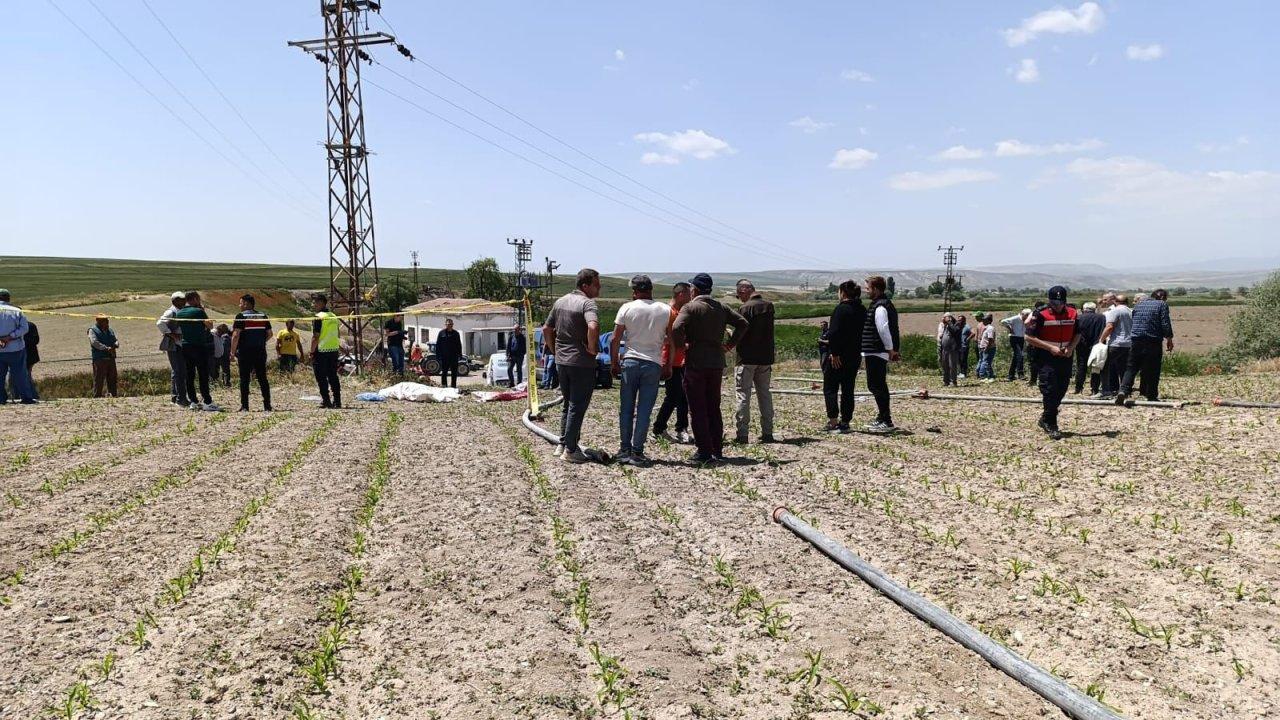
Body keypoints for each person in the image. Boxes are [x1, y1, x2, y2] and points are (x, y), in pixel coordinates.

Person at [671, 273, 747, 463]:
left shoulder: (691, 307)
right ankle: (716, 448)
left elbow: (676, 327)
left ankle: (704, 451)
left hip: (696, 361)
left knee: (697, 407)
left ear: (694, 289)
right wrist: (729, 344)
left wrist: (682, 346)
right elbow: (742, 323)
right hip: (716, 362)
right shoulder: (721, 307)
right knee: (713, 406)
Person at [610, 275, 672, 466]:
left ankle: (624, 449)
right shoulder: (665, 309)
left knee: (626, 408)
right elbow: (671, 340)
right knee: (644, 410)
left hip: (630, 361)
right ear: (651, 289)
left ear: (635, 292)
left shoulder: (627, 308)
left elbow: (614, 338)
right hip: (653, 363)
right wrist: (667, 364)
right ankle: (638, 451)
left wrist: (614, 363)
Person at [544, 269, 603, 463]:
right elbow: (593, 326)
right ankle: (570, 449)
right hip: (581, 363)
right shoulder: (587, 304)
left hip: (562, 361)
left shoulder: (560, 302)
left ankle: (563, 443)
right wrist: (593, 349)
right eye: (596, 284)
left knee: (568, 404)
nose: (599, 287)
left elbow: (546, 328)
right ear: (585, 285)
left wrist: (554, 350)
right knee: (577, 406)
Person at [1024, 286, 1081, 440]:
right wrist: (1050, 348)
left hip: (1065, 356)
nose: (1058, 305)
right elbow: (1029, 337)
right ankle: (1051, 423)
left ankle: (1045, 417)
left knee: (1061, 389)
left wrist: (1070, 348)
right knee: (1049, 389)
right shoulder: (1040, 314)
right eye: (1054, 302)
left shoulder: (1073, 312)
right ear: (1049, 301)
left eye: (1061, 302)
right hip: (1045, 357)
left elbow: (1078, 333)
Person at [733, 279, 776, 444]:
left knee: (743, 394)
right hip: (765, 358)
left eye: (739, 294)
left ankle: (742, 434)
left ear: (744, 290)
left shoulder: (745, 308)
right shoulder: (769, 306)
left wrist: (731, 340)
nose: (739, 298)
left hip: (746, 358)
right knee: (764, 394)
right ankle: (768, 432)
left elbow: (742, 331)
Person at [1117, 289, 1174, 406]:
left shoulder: (1139, 304)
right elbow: (1165, 322)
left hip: (1136, 340)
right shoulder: (1162, 304)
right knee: (1153, 369)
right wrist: (1169, 338)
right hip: (1152, 340)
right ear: (1163, 297)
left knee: (1131, 367)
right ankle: (1151, 395)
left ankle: (1123, 390)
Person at [823, 280, 866, 433]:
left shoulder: (841, 309)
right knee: (848, 389)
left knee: (830, 387)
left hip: (838, 356)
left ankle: (833, 421)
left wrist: (834, 353)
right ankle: (846, 421)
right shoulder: (862, 309)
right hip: (854, 355)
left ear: (843, 293)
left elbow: (834, 333)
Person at [653, 282, 692, 444]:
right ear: (681, 294)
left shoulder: (679, 312)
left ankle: (681, 427)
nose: (691, 297)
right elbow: (665, 338)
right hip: (670, 360)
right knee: (673, 395)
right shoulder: (668, 312)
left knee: (682, 396)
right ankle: (659, 428)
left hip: (680, 360)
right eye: (689, 294)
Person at [860, 275, 900, 433]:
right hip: (875, 350)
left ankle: (886, 419)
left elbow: (883, 329)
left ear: (876, 289)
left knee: (877, 385)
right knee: (875, 385)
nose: (866, 291)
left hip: (878, 350)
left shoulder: (881, 306)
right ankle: (882, 417)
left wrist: (890, 349)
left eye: (868, 288)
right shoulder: (878, 304)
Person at [176, 291, 218, 411]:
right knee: (203, 374)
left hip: (185, 345)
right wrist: (203, 311)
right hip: (199, 345)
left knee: (189, 374)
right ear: (195, 299)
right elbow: (210, 326)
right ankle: (207, 401)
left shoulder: (179, 313)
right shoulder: (198, 311)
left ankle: (193, 401)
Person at [231, 293, 272, 412]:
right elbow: (270, 334)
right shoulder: (263, 316)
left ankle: (245, 406)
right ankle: (267, 405)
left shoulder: (240, 316)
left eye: (241, 303)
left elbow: (235, 335)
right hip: (260, 351)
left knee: (244, 379)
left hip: (245, 351)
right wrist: (259, 342)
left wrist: (232, 352)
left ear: (246, 304)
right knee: (262, 378)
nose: (239, 305)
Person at [0, 289, 37, 404]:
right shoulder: (17, 311)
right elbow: (24, 328)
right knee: (20, 374)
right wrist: (10, 337)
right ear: (8, 298)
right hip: (15, 348)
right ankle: (26, 397)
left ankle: (1, 398)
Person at [310, 294, 343, 408]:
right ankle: (337, 401)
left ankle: (326, 400)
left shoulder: (318, 317)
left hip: (321, 350)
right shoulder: (333, 316)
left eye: (315, 303)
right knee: (333, 376)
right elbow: (338, 333)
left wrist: (312, 351)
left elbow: (316, 336)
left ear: (321, 303)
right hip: (333, 350)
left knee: (321, 377)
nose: (313, 305)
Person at [1097, 294, 1133, 399]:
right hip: (1129, 344)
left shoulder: (1115, 311)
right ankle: (1124, 390)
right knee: (1124, 368)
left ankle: (1106, 391)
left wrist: (1101, 340)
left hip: (1116, 343)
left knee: (1104, 366)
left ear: (1115, 302)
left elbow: (1109, 326)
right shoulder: (1131, 311)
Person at [157, 292, 188, 406]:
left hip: (180, 344)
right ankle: (179, 398)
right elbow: (160, 323)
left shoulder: (181, 311)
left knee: (179, 371)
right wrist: (171, 334)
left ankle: (176, 396)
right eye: (181, 300)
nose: (184, 302)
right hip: (174, 345)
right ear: (174, 301)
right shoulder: (171, 312)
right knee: (178, 371)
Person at [1073, 302, 1106, 395]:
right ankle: (1094, 389)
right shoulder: (1101, 317)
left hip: (1082, 345)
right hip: (1096, 345)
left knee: (1081, 366)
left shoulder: (1079, 318)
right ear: (1094, 309)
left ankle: (1078, 388)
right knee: (1096, 367)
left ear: (1084, 309)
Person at [88, 315, 120, 398]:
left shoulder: (110, 330)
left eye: (107, 320)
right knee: (99, 379)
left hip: (111, 358)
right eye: (104, 320)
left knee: (112, 378)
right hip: (99, 358)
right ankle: (97, 396)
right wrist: (106, 348)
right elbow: (94, 342)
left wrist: (116, 343)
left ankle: (113, 395)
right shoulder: (92, 330)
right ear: (98, 321)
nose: (107, 322)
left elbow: (115, 339)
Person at [1001, 309, 1030, 381]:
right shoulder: (1016, 318)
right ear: (1023, 314)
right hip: (1014, 338)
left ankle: (1011, 375)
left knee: (1016, 356)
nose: (1027, 317)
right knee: (1020, 355)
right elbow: (1003, 321)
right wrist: (1010, 328)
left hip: (1021, 338)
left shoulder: (1026, 320)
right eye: (1026, 316)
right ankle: (1020, 374)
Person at [434, 318, 462, 388]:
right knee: (444, 372)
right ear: (445, 325)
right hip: (444, 356)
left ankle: (453, 386)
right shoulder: (441, 333)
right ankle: (444, 386)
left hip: (454, 356)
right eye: (448, 324)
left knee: (454, 373)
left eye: (451, 324)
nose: (449, 325)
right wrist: (438, 355)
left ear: (453, 325)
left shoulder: (456, 333)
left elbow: (459, 344)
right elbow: (438, 344)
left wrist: (460, 354)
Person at [937, 313, 960, 386]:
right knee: (945, 365)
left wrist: (949, 322)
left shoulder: (956, 324)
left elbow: (955, 331)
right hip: (945, 349)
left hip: (952, 349)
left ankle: (953, 381)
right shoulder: (944, 325)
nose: (943, 319)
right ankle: (946, 381)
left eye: (944, 318)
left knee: (952, 365)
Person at [976, 313, 998, 381]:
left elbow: (990, 339)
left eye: (984, 320)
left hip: (988, 347)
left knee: (985, 362)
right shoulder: (987, 328)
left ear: (989, 321)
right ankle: (986, 375)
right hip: (985, 347)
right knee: (986, 362)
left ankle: (985, 375)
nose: (983, 321)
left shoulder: (990, 328)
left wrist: (987, 347)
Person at [957, 315, 973, 379]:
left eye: (960, 320)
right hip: (958, 346)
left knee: (964, 360)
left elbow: (973, 333)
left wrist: (968, 339)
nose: (959, 321)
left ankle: (964, 373)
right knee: (959, 360)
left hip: (964, 346)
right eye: (958, 320)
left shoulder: (967, 326)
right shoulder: (959, 327)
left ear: (964, 320)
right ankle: (961, 372)